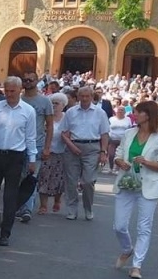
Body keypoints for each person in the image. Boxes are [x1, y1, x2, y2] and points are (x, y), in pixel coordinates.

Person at [113, 99, 158, 279]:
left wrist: (146, 162)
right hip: (126, 183)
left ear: (148, 115)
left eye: (138, 112)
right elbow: (118, 153)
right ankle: (126, 249)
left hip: (148, 186)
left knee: (144, 227)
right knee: (119, 225)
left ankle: (136, 265)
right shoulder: (129, 133)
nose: (135, 115)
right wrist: (119, 161)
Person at [0, 76, 37, 247]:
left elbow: (30, 137)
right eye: (8, 90)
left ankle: (5, 232)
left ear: (20, 90)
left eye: (13, 91)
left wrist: (32, 159)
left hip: (16, 156)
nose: (10, 94)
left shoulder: (28, 111)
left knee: (10, 197)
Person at [58, 83, 111, 221]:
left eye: (87, 96)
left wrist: (103, 152)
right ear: (78, 97)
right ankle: (71, 210)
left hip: (92, 148)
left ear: (92, 97)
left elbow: (104, 134)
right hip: (73, 146)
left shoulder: (100, 113)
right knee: (71, 181)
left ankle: (88, 208)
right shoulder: (71, 112)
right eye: (82, 96)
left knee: (88, 181)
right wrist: (71, 146)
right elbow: (63, 133)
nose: (85, 98)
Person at [17, 75, 54, 223]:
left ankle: (27, 209)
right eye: (25, 80)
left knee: (31, 178)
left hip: (37, 145)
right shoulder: (18, 99)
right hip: (18, 145)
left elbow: (50, 125)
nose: (27, 82)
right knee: (18, 177)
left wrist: (47, 147)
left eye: (30, 80)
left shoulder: (45, 101)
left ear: (37, 81)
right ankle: (18, 206)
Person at [38, 85, 74, 215]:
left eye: (57, 103)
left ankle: (57, 201)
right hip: (47, 151)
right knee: (44, 178)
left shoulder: (67, 118)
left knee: (59, 179)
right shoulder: (46, 117)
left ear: (63, 105)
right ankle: (43, 205)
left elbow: (71, 133)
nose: (54, 105)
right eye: (52, 103)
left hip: (62, 153)